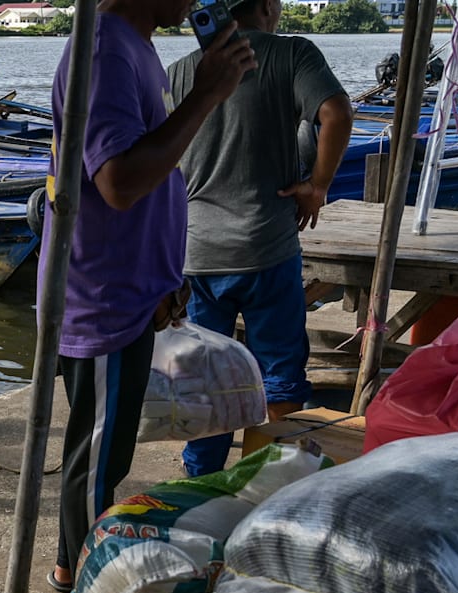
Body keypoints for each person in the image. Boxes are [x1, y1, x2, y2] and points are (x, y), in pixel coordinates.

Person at [40, 0, 257, 592]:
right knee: (98, 461)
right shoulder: (105, 49)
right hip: (104, 296)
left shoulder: (135, 45)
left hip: (132, 290)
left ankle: (69, 565)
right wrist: (205, 95)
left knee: (101, 451)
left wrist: (165, 273)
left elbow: (148, 166)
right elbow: (119, 182)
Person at [168, 0, 353, 477]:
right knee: (281, 375)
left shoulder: (180, 72)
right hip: (267, 248)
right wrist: (317, 186)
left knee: (206, 379)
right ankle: (271, 480)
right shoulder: (292, 54)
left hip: (196, 253)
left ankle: (203, 481)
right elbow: (336, 113)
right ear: (269, 6)